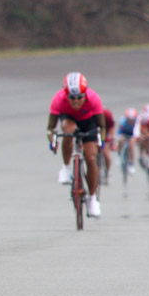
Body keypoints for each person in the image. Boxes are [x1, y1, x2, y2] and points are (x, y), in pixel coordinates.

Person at [47, 72, 106, 217]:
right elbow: (51, 128)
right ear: (65, 95)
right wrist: (52, 141)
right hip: (69, 119)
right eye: (72, 98)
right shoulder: (58, 99)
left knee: (90, 157)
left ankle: (92, 200)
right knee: (68, 130)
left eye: (80, 97)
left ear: (85, 94)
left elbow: (102, 127)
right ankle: (67, 169)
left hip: (89, 122)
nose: (76, 101)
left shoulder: (94, 99)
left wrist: (101, 141)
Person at [116, 107, 138, 176]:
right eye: (129, 119)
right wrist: (119, 137)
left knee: (131, 146)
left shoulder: (137, 122)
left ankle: (131, 163)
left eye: (132, 119)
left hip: (132, 134)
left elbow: (137, 132)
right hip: (124, 133)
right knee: (121, 140)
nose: (131, 121)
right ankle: (119, 154)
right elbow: (119, 131)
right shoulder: (123, 121)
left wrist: (136, 138)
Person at [101, 108, 115, 184]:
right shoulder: (90, 112)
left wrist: (112, 137)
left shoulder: (107, 114)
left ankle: (107, 172)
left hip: (104, 135)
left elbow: (111, 127)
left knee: (106, 154)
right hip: (94, 134)